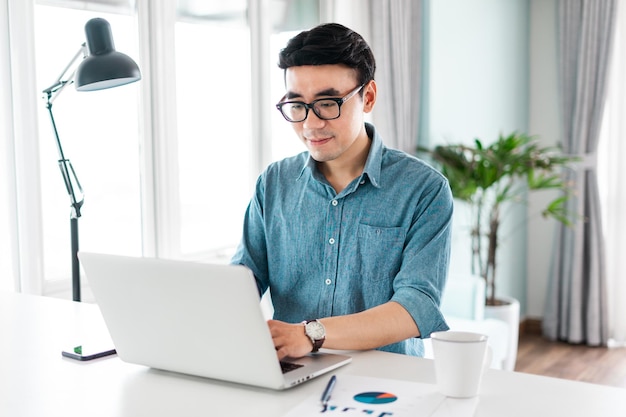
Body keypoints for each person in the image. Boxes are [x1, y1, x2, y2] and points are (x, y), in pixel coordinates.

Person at [231, 22, 452, 359]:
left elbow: (416, 305)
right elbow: (242, 281)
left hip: (387, 381)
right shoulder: (273, 183)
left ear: (368, 97)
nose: (310, 124)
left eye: (328, 103)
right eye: (297, 106)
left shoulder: (424, 189)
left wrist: (311, 334)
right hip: (291, 372)